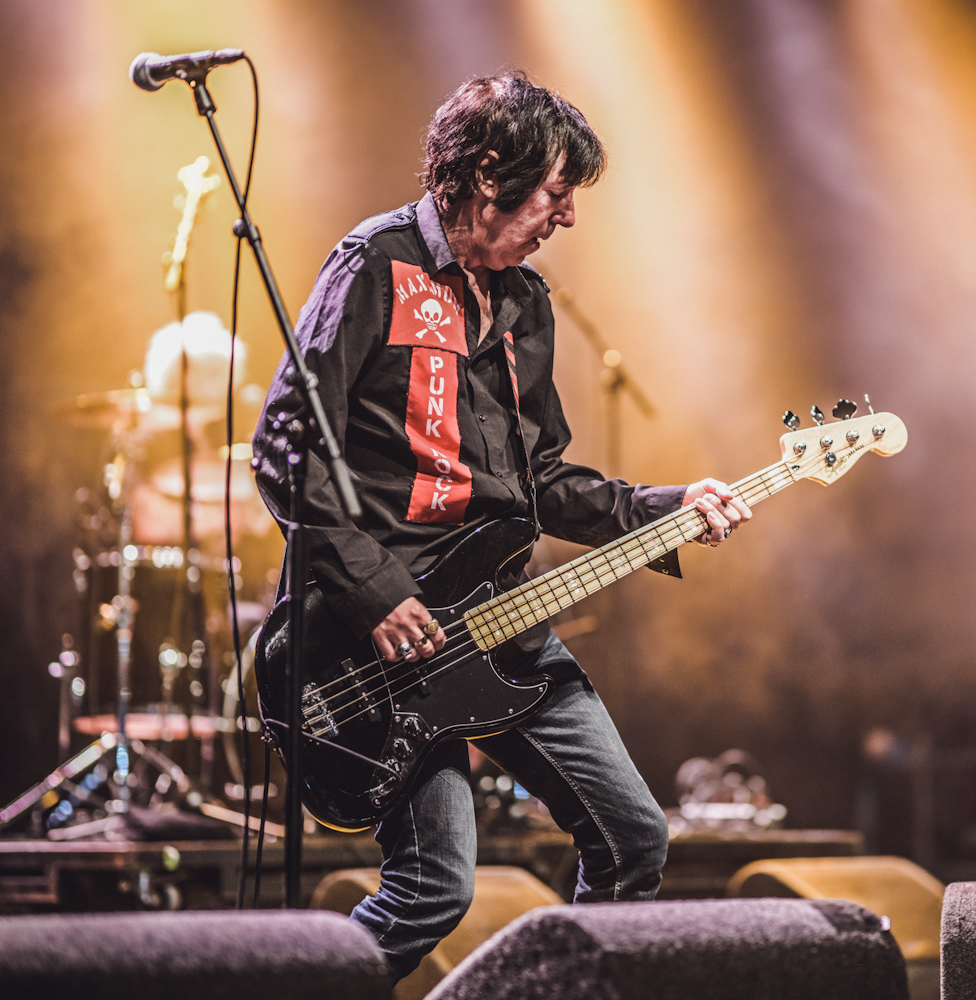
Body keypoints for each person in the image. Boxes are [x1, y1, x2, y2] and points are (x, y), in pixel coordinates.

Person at [250, 73, 751, 981]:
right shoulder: (376, 265)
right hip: (378, 645)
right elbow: (285, 451)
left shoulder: (525, 303)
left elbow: (541, 480)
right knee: (434, 889)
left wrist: (664, 509)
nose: (565, 217)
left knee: (635, 840)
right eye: (557, 192)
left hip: (497, 620)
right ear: (488, 174)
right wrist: (375, 592)